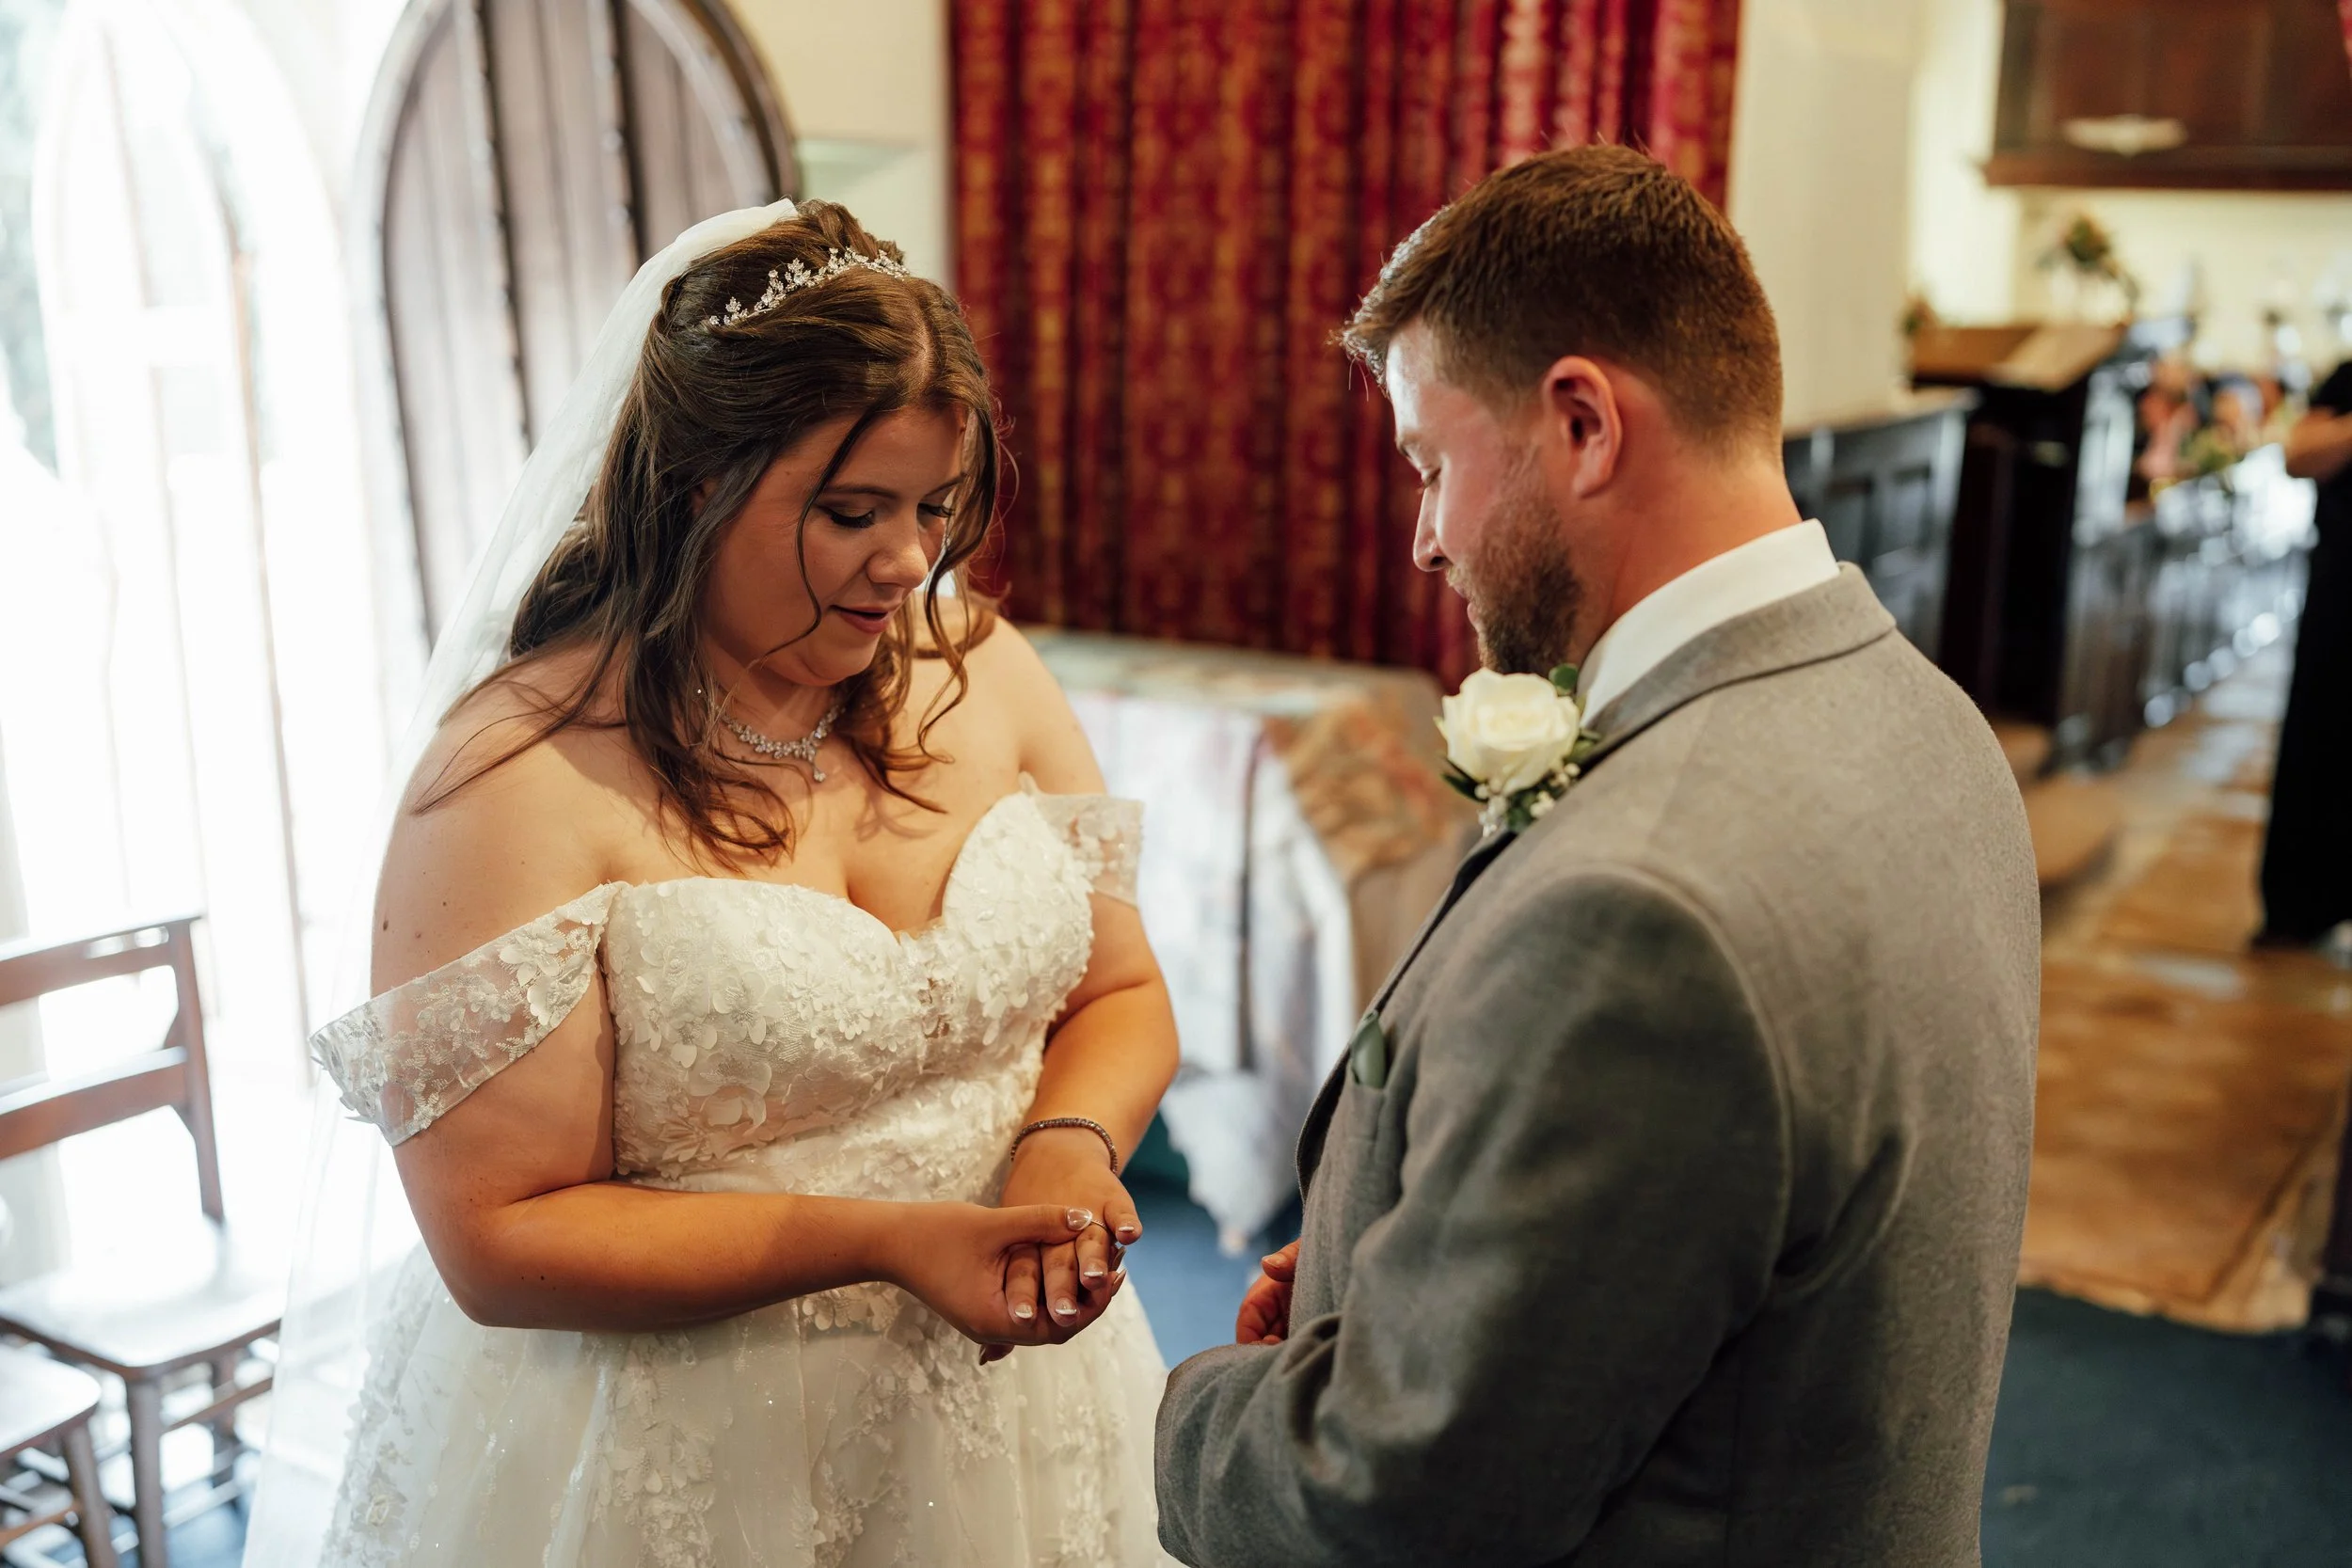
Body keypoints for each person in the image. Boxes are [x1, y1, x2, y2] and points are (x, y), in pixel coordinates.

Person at [1153, 146, 2042, 1566]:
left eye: (1432, 465)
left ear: (1581, 423)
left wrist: (1201, 1406)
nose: (1426, 539)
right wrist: (1396, 1237)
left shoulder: (1641, 911)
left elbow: (1397, 1501)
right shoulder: (1926, 716)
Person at [271, 200, 1181, 1565]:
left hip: (1022, 1406)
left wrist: (1071, 1137)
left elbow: (1120, 986)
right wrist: (886, 1240)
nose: (909, 561)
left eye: (936, 506)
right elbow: (495, 1234)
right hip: (679, 1441)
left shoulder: (981, 662)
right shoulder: (517, 776)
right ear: (697, 481)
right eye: (852, 511)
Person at [2258, 360, 2352, 948]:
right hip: (2345, 596)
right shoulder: (2348, 378)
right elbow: (2297, 456)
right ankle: (2300, 906)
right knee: (2324, 739)